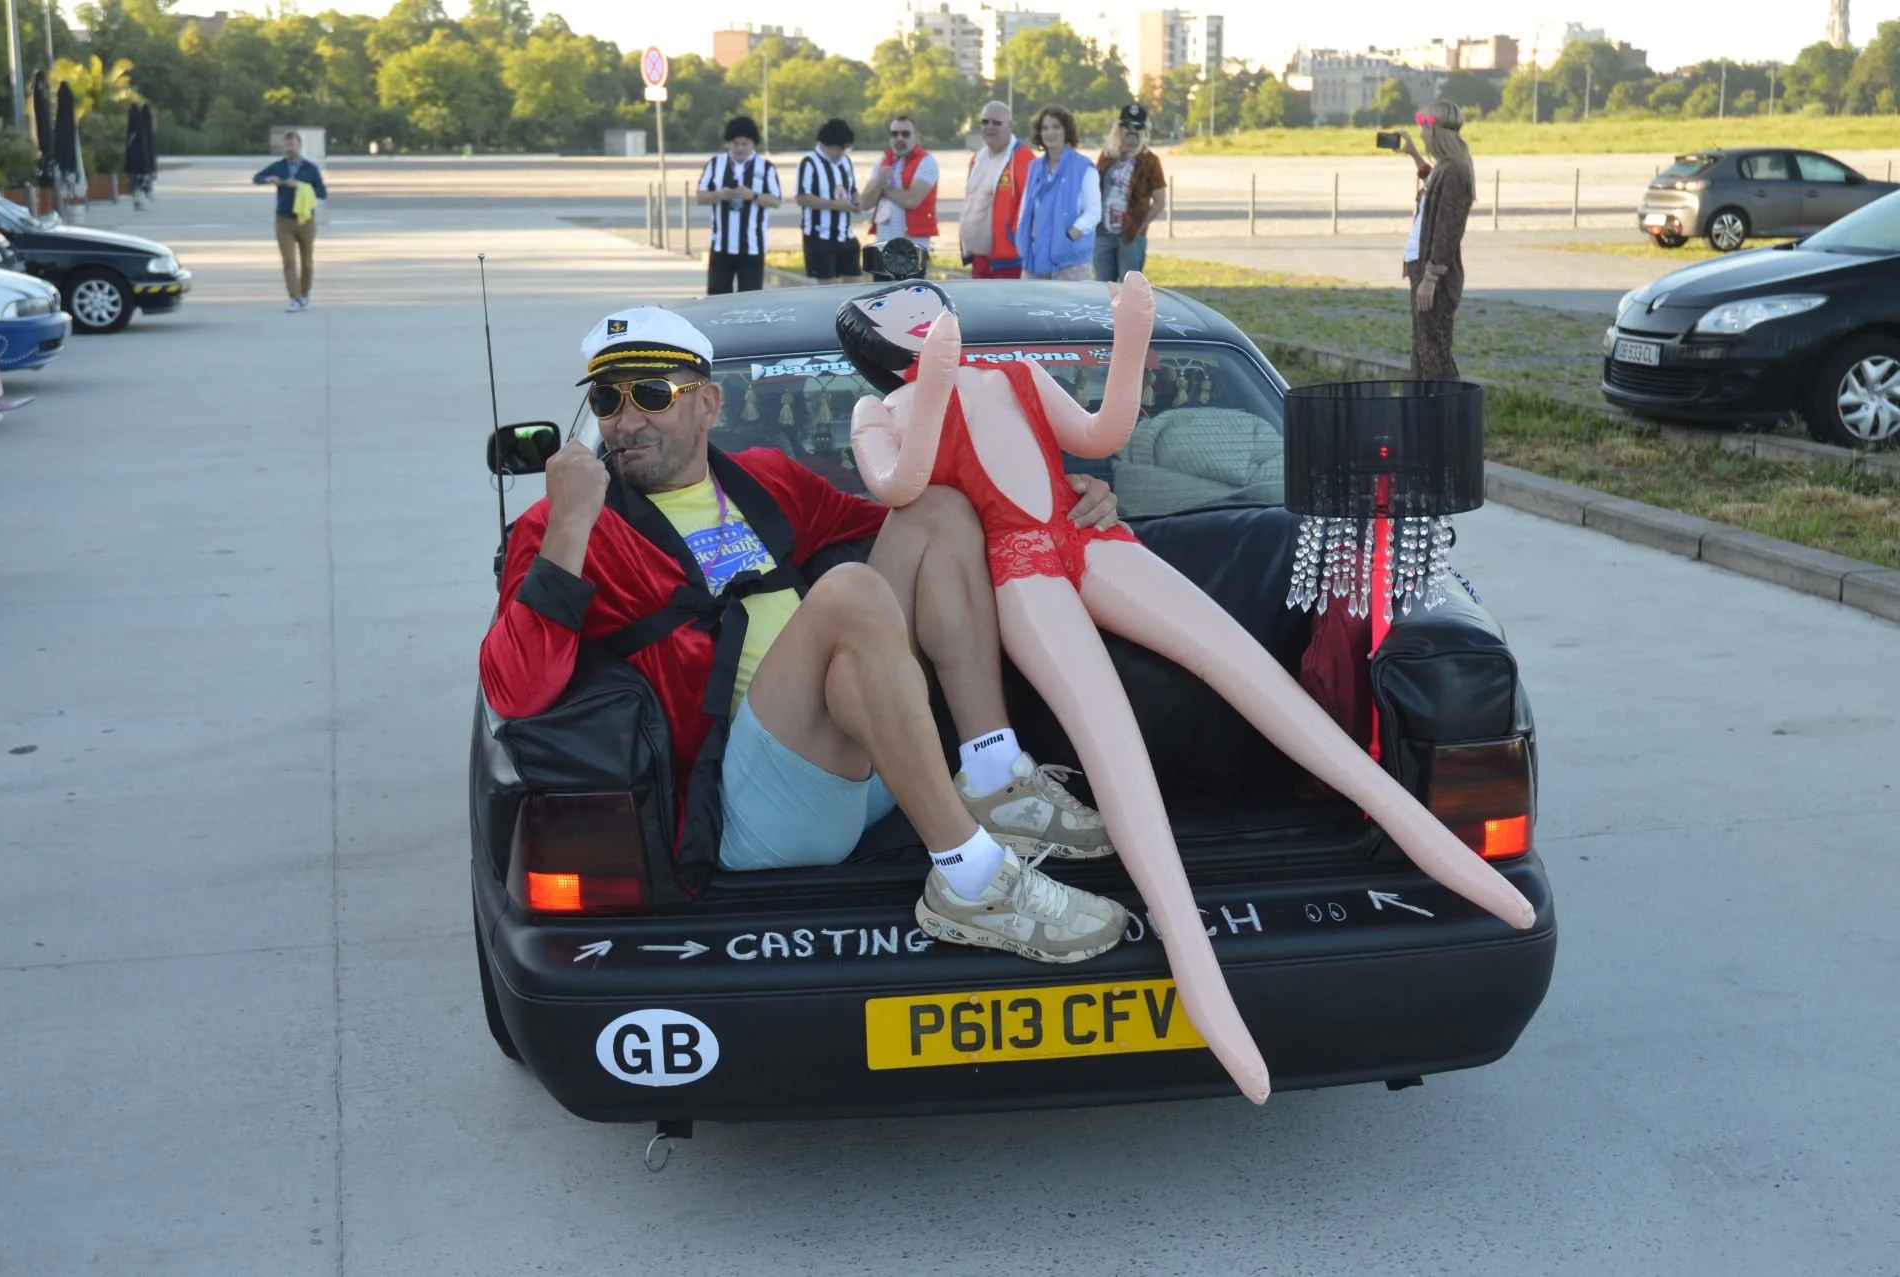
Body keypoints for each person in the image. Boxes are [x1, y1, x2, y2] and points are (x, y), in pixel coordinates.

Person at [837, 277, 1539, 1104]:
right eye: (891, 314)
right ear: (871, 344)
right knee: (1114, 748)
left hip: (1089, 535)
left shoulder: (1017, 373)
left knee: (1258, 675)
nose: (915, 313)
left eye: (922, 299)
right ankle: (1200, 982)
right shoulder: (877, 412)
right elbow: (898, 487)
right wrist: (934, 382)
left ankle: (1445, 852)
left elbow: (1104, 432)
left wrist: (1131, 337)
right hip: (1019, 568)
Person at [480, 307, 1134, 963]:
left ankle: (994, 779)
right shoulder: (565, 526)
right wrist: (567, 526)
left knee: (938, 510)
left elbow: (911, 517)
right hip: (753, 807)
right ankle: (970, 878)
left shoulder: (765, 478)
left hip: (873, 759)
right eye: (606, 399)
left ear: (707, 404)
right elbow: (514, 689)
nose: (626, 420)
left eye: (652, 395)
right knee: (849, 592)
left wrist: (1060, 497)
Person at [1393, 99, 1475, 380]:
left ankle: (1447, 415)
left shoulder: (1454, 172)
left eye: (1425, 123)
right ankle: (1424, 416)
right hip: (1423, 269)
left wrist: (1431, 276)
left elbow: (1447, 230)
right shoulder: (1445, 168)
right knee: (1422, 350)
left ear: (1438, 130)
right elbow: (1433, 188)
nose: (1421, 128)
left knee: (1434, 354)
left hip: (1434, 275)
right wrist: (1415, 156)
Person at [696, 117, 784, 296]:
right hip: (721, 246)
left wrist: (754, 195)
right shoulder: (715, 164)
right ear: (729, 142)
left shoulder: (765, 167)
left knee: (750, 300)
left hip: (753, 247)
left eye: (745, 143)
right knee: (717, 298)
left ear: (753, 143)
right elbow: (700, 197)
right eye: (736, 143)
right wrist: (721, 194)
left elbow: (776, 201)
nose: (740, 148)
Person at [1014, 105, 1100, 282]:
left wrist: (1070, 235)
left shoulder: (1084, 168)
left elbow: (1094, 212)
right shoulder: (1034, 168)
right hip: (1035, 257)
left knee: (1071, 309)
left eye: (1056, 127)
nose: (1050, 132)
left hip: (1071, 260)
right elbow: (1025, 209)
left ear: (1066, 131)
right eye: (1045, 128)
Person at [251, 132, 327, 312]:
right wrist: (269, 179)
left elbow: (322, 193)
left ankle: (305, 294)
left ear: (300, 146)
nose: (289, 148)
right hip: (283, 220)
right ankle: (295, 298)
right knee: (289, 261)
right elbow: (256, 178)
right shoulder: (278, 166)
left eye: (292, 145)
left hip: (305, 219)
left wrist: (301, 185)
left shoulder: (310, 168)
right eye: (286, 145)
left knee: (307, 262)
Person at [1093, 104, 1167, 284]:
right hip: (1103, 233)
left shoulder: (1150, 161)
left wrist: (1140, 226)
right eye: (1127, 126)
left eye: (1138, 126)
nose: (1132, 131)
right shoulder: (1107, 157)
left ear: (1144, 130)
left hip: (1130, 236)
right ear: (1119, 129)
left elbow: (1159, 200)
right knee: (1103, 287)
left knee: (1129, 288)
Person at [857, 115, 939, 278]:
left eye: (905, 134)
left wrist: (883, 189)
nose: (899, 138)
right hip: (883, 248)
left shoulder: (926, 161)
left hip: (912, 249)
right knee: (883, 301)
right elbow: (864, 203)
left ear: (917, 136)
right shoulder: (883, 161)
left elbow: (912, 200)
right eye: (895, 134)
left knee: (910, 301)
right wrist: (879, 183)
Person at [959, 100, 1033, 280]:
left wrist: (1015, 238)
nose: (989, 127)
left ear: (1010, 125)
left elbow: (1032, 206)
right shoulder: (977, 159)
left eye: (996, 122)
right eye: (985, 122)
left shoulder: (1023, 158)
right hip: (979, 259)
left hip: (1010, 260)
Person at [794, 119, 866, 286]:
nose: (841, 151)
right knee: (828, 287)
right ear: (825, 144)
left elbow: (852, 188)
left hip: (845, 234)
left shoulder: (845, 162)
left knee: (855, 284)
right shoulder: (809, 163)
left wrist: (857, 201)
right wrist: (835, 205)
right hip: (820, 235)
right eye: (838, 147)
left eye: (844, 147)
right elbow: (802, 197)